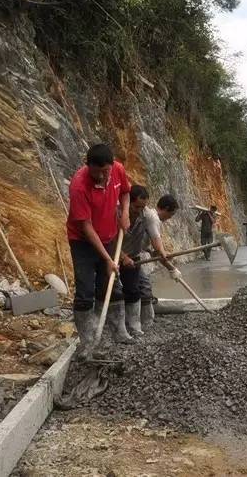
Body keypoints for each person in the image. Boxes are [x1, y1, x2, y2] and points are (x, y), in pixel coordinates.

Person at [67, 143, 132, 360]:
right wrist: (107, 259)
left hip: (110, 235)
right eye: (99, 172)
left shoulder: (117, 170)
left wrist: (124, 213)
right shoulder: (79, 186)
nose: (104, 176)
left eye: (107, 171)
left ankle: (118, 331)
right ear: (89, 167)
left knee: (110, 284)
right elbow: (86, 228)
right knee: (85, 289)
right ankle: (89, 341)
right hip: (83, 242)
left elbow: (125, 192)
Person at [120, 187, 180, 335]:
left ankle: (143, 324)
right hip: (116, 256)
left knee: (140, 288)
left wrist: (156, 253)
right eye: (137, 206)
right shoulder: (144, 216)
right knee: (135, 289)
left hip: (133, 257)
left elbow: (149, 244)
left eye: (142, 207)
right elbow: (109, 240)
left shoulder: (144, 215)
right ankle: (136, 325)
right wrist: (170, 267)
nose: (140, 210)